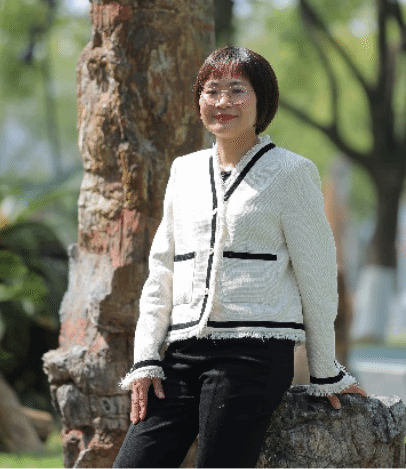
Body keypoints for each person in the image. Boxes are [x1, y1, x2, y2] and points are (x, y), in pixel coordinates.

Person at [112, 46, 366, 469]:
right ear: (199, 100)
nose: (223, 102)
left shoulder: (292, 172)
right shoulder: (184, 171)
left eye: (237, 90)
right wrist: (146, 360)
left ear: (262, 101)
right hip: (181, 352)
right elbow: (161, 273)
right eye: (212, 90)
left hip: (254, 354)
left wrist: (325, 371)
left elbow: (317, 276)